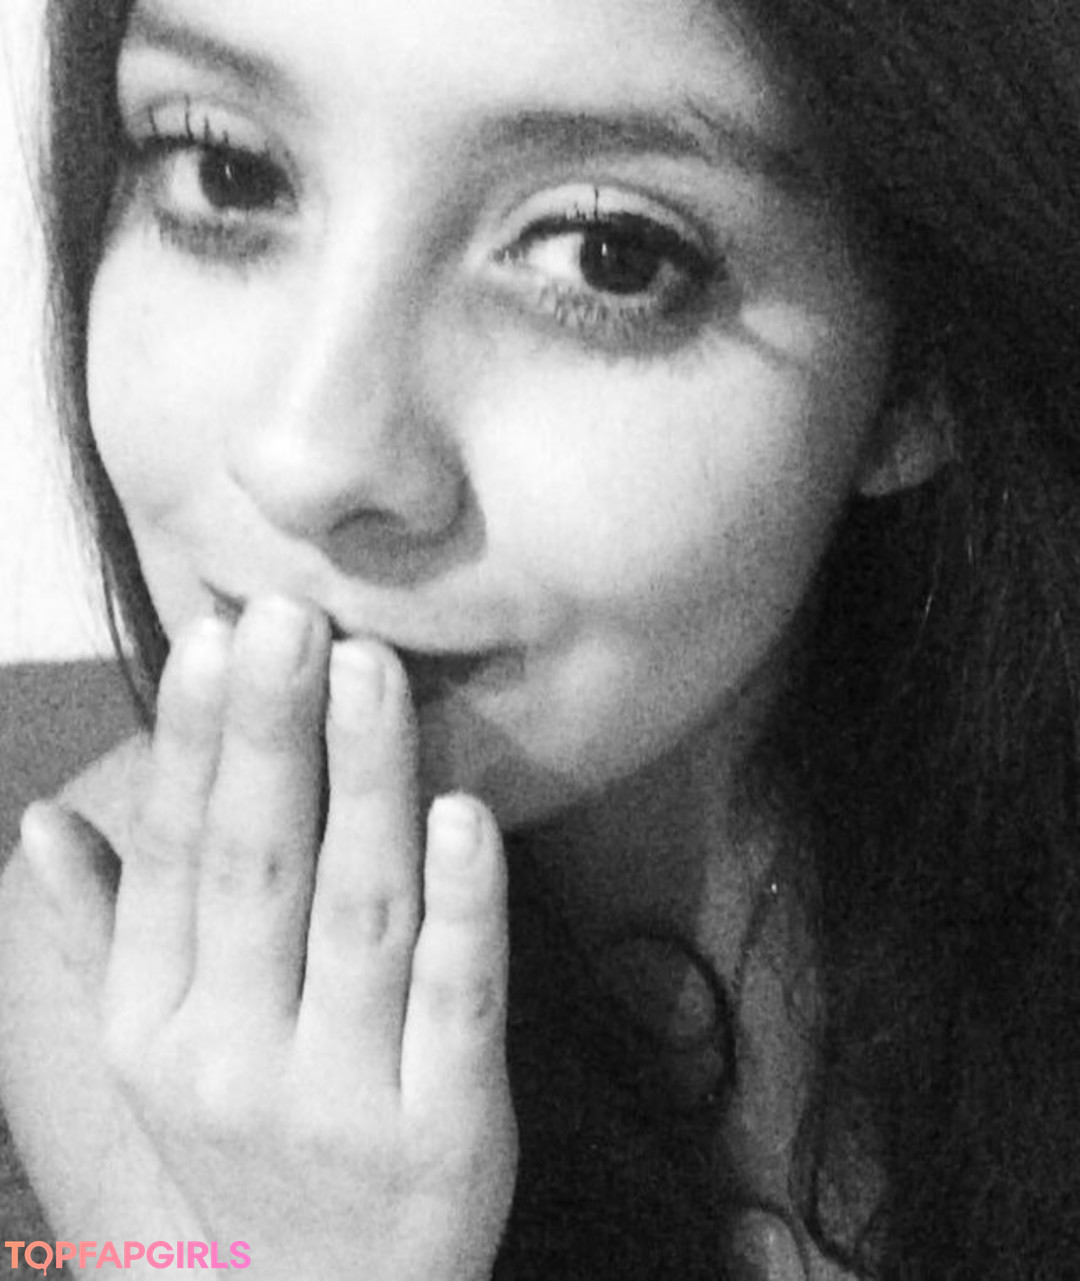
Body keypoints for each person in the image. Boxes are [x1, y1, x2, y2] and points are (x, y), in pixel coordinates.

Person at [1, 0, 1078, 1275]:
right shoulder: (117, 952)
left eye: (608, 255)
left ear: (926, 374)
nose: (307, 457)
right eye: (224, 171)